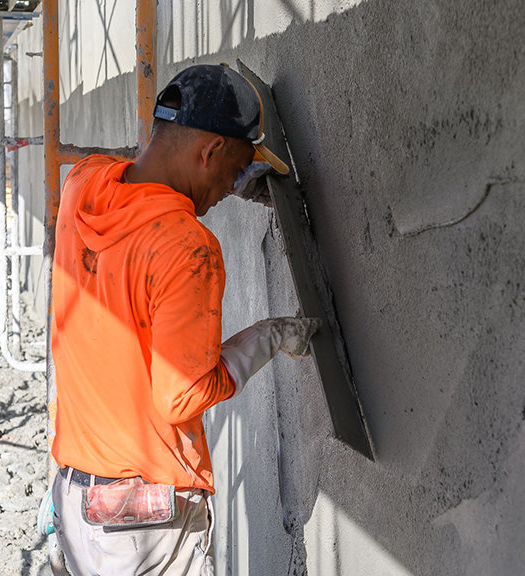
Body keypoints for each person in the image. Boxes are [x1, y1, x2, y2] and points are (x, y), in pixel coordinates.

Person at [49, 64, 321, 576]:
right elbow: (181, 397)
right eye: (236, 168)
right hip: (144, 526)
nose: (231, 188)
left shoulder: (81, 184)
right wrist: (266, 338)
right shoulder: (186, 248)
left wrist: (214, 179)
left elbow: (142, 173)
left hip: (77, 505)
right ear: (210, 151)